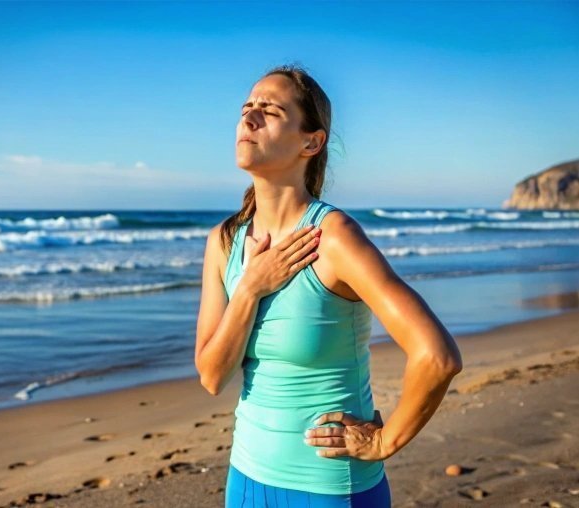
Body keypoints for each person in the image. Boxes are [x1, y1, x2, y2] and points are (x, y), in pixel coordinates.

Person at [194, 64, 463, 507]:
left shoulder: (334, 238)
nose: (249, 118)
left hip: (330, 488)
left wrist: (384, 442)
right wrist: (249, 288)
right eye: (246, 108)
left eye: (270, 110)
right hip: (245, 480)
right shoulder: (225, 241)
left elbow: (437, 356)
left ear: (311, 142)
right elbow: (211, 375)